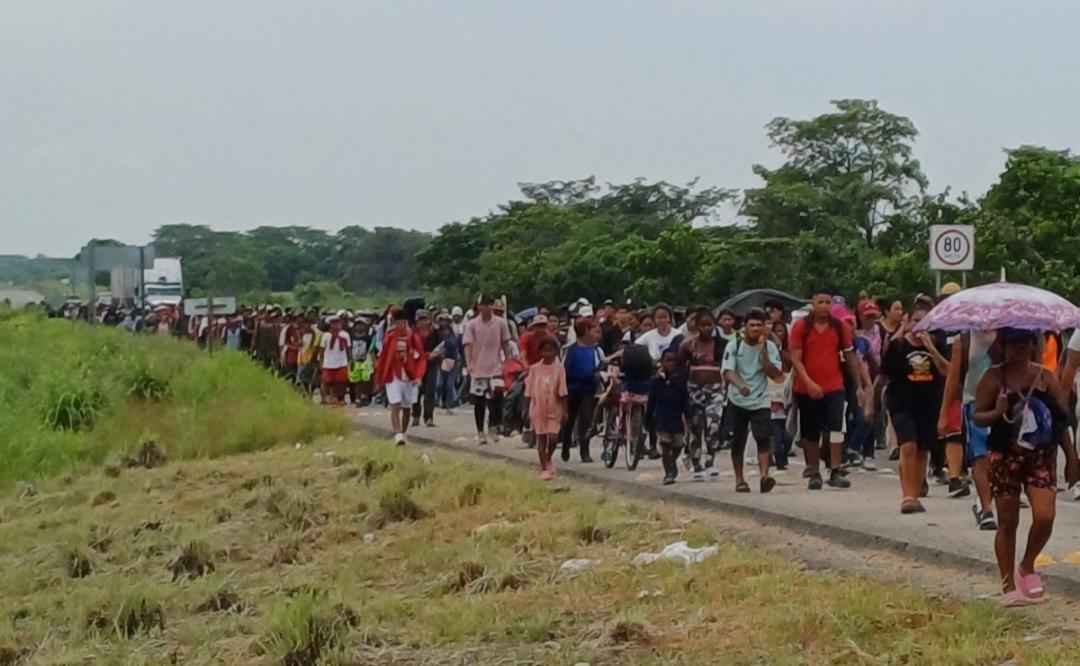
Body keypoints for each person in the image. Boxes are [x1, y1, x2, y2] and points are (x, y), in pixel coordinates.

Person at [973, 328, 1080, 606]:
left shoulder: (1046, 377)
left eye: (1026, 342)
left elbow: (1061, 421)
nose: (1020, 347)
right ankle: (1008, 585)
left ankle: (1027, 565)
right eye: (1014, 342)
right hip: (1004, 456)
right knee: (1008, 521)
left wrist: (1071, 456)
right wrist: (997, 411)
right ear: (1004, 346)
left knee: (1045, 516)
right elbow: (978, 418)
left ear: (1034, 344)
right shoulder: (993, 377)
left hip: (1041, 455)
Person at [869, 303, 949, 513]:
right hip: (901, 403)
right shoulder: (897, 347)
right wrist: (872, 404)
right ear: (907, 322)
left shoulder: (937, 343)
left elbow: (947, 372)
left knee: (923, 449)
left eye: (924, 322)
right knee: (908, 446)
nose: (920, 326)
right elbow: (882, 378)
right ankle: (908, 495)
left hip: (929, 403)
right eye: (915, 321)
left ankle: (917, 486)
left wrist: (931, 348)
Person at [789, 289, 867, 490]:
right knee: (810, 432)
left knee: (836, 429)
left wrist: (858, 385)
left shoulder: (839, 327)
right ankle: (814, 471)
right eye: (820, 302)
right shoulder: (801, 327)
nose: (824, 306)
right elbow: (795, 359)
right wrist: (808, 382)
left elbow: (850, 357)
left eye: (827, 302)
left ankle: (835, 470)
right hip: (806, 388)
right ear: (813, 304)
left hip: (834, 385)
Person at [941, 330, 1001, 529]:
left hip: (1005, 402)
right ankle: (986, 509)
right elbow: (953, 377)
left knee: (1000, 457)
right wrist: (944, 413)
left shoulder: (1008, 334)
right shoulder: (965, 339)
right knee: (980, 455)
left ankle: (991, 501)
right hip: (974, 402)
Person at [722, 308, 783, 493]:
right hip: (738, 398)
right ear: (745, 326)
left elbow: (776, 375)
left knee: (763, 436)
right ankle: (740, 479)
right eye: (752, 325)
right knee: (738, 440)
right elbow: (727, 371)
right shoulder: (734, 345)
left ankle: (764, 476)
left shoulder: (770, 347)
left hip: (760, 399)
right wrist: (740, 385)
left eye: (759, 325)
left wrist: (763, 353)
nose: (755, 329)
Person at [679, 310, 727, 481]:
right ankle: (696, 463)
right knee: (696, 425)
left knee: (713, 424)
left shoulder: (722, 345)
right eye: (703, 325)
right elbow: (679, 366)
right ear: (696, 326)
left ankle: (710, 460)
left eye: (710, 325)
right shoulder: (688, 346)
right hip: (694, 389)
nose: (707, 328)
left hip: (715, 388)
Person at [463, 294, 513, 445]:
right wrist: (469, 363)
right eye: (484, 304)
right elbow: (468, 345)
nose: (487, 307)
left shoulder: (500, 323)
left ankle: (493, 426)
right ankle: (480, 432)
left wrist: (508, 363)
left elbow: (506, 343)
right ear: (479, 306)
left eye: (490, 304)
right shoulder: (472, 325)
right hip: (478, 368)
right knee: (479, 402)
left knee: (497, 399)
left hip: (496, 367)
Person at [375, 310, 427, 445]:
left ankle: (403, 433)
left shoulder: (414, 338)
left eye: (402, 323)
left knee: (406, 408)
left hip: (409, 377)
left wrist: (419, 376)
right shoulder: (389, 338)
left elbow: (421, 358)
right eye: (396, 323)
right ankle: (397, 433)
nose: (400, 326)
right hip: (394, 376)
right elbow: (383, 359)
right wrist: (379, 378)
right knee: (395, 404)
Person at [647, 349, 692, 485]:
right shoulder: (656, 381)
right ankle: (668, 473)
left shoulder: (680, 381)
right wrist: (648, 418)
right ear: (661, 362)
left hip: (676, 419)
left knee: (678, 444)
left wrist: (689, 416)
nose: (670, 364)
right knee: (666, 444)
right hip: (661, 418)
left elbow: (685, 400)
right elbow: (651, 401)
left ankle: (672, 461)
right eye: (667, 360)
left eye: (673, 361)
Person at [526, 336, 568, 480]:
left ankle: (548, 457)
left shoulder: (559, 369)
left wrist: (565, 410)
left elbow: (563, 391)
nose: (548, 354)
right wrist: (526, 410)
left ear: (556, 352)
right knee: (541, 438)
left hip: (554, 408)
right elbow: (529, 391)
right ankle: (544, 467)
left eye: (551, 351)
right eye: (545, 351)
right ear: (540, 352)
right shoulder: (534, 369)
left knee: (553, 437)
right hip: (538, 409)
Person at [561, 317, 603, 463]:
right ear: (586, 331)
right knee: (570, 419)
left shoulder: (595, 350)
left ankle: (584, 451)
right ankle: (566, 444)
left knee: (586, 419)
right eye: (592, 330)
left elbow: (599, 365)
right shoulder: (572, 350)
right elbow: (565, 370)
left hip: (589, 388)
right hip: (573, 388)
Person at [411, 311, 441, 427]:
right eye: (420, 320)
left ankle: (429, 417)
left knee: (430, 391)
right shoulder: (413, 335)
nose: (423, 322)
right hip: (417, 365)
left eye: (425, 319)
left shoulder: (435, 333)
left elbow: (442, 346)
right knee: (416, 392)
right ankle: (416, 416)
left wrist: (436, 354)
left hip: (431, 365)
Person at [318, 316, 352, 406]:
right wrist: (321, 362)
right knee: (326, 381)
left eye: (337, 323)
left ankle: (340, 397)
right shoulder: (326, 336)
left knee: (342, 381)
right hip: (328, 362)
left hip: (342, 361)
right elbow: (321, 350)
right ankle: (324, 398)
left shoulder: (345, 335)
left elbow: (348, 349)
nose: (336, 325)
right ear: (330, 325)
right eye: (333, 323)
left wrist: (350, 360)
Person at [434, 312, 462, 413]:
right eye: (441, 320)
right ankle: (441, 399)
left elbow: (456, 347)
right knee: (439, 384)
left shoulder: (453, 333)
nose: (443, 322)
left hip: (453, 360)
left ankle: (449, 404)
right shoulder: (436, 333)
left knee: (449, 384)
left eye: (445, 320)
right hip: (440, 361)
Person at [347, 318, 374, 407]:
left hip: (365, 360)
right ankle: (357, 397)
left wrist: (374, 361)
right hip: (355, 360)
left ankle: (364, 395)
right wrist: (350, 360)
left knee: (365, 379)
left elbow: (371, 350)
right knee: (356, 380)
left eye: (361, 324)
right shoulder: (351, 337)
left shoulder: (368, 338)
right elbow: (349, 349)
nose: (359, 327)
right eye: (357, 325)